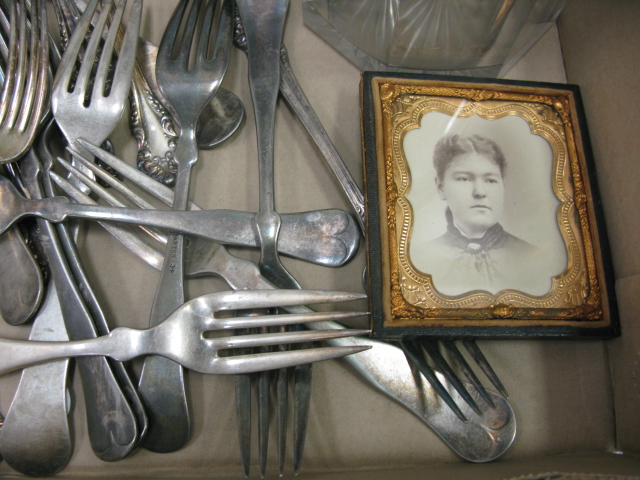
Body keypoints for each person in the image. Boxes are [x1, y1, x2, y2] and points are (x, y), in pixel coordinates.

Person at [420, 133, 547, 296]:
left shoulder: (534, 258)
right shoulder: (421, 259)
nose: (480, 192)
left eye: (490, 180)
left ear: (503, 186)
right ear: (440, 187)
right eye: (464, 179)